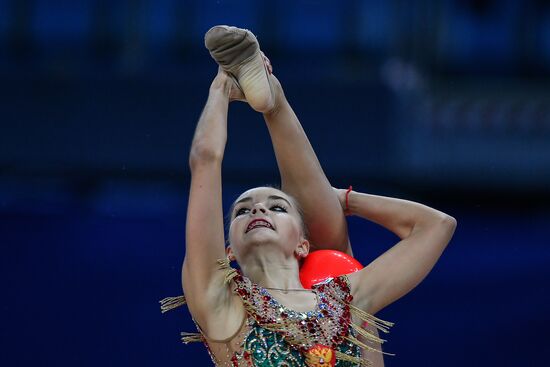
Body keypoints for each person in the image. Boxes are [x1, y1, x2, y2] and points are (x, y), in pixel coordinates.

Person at [160, 26, 457, 367]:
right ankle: (270, 98)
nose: (258, 207)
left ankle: (273, 98)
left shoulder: (347, 299)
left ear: (301, 243)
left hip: (324, 268)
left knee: (330, 258)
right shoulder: (221, 302)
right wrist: (221, 85)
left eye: (276, 206)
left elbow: (438, 225)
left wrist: (345, 200)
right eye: (242, 211)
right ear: (229, 251)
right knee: (331, 253)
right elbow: (204, 161)